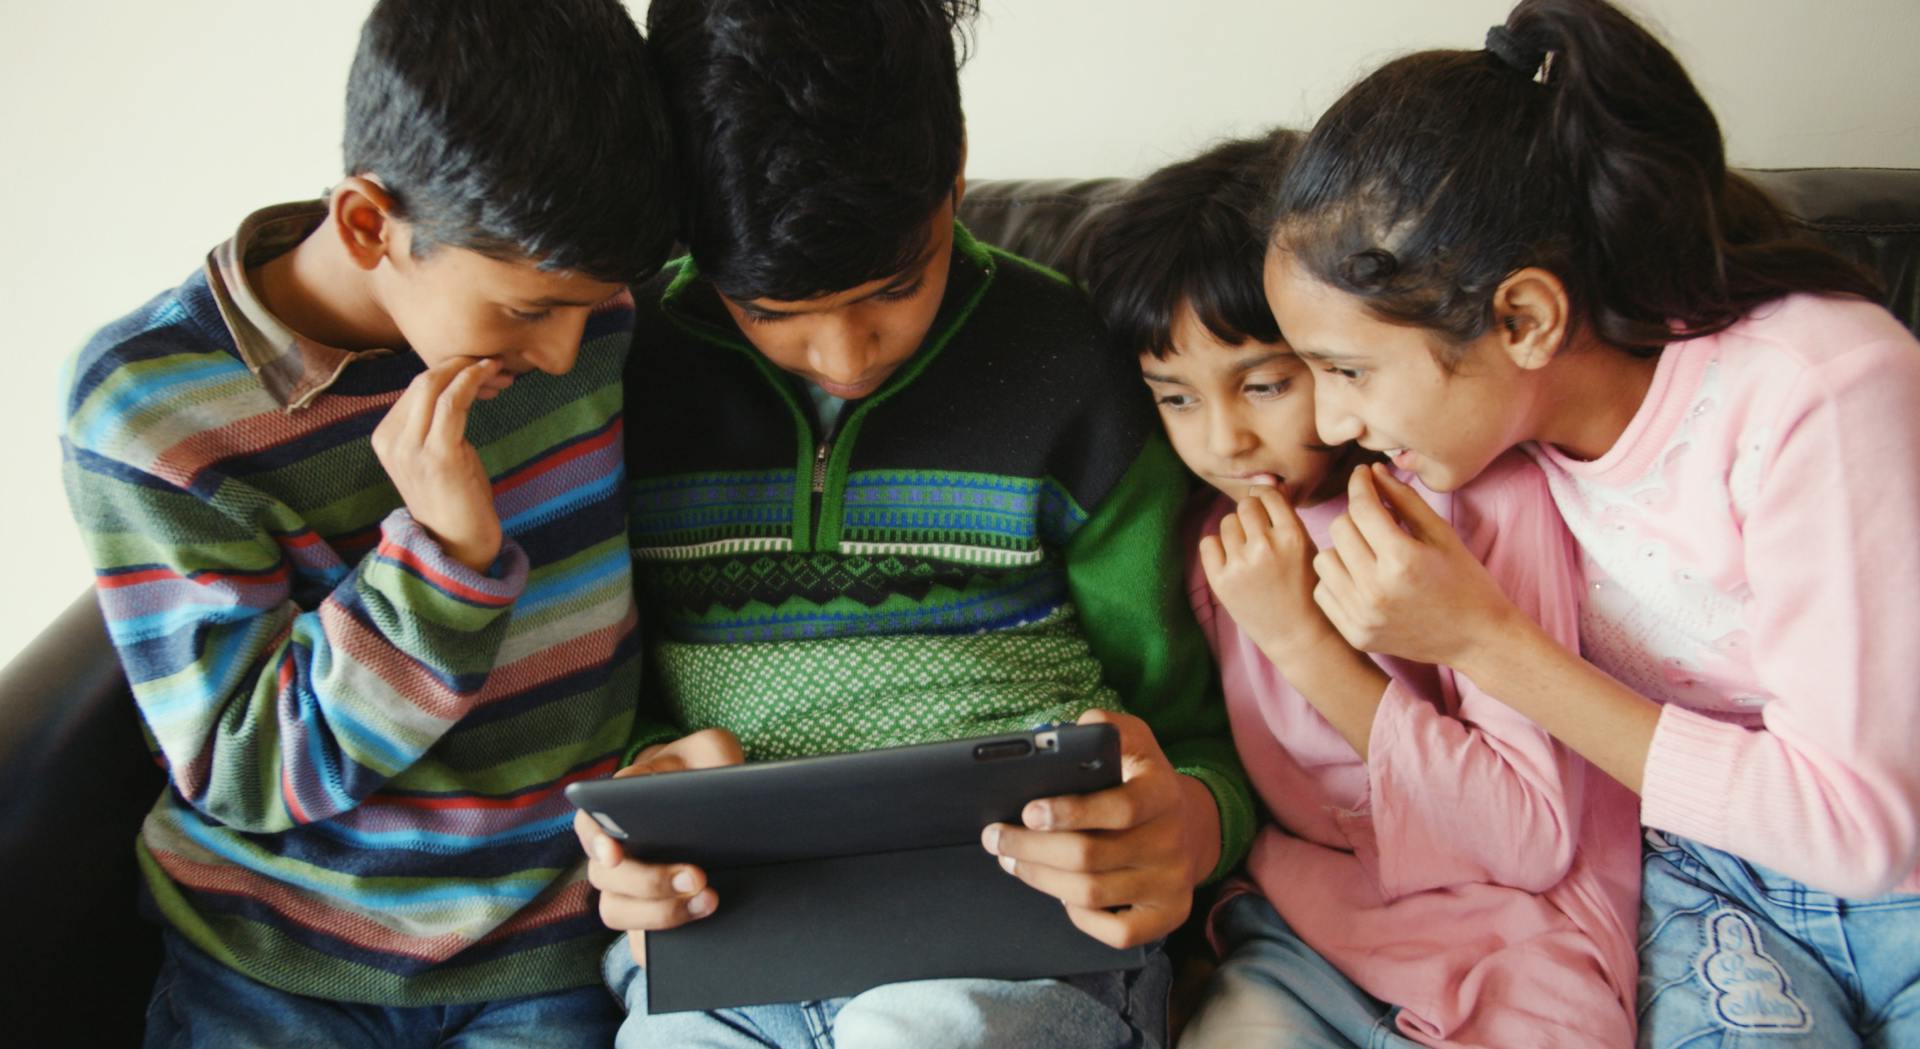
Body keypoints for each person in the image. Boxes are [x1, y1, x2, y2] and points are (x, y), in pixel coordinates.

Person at [570, 2, 1252, 1045]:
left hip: (1015, 954)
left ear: (958, 169)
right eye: (772, 311)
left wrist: (1191, 825)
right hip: (729, 948)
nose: (847, 356)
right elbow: (594, 709)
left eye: (897, 285)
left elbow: (1207, 734)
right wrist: (640, 806)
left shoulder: (1081, 369)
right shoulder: (616, 375)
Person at [1259, 1, 1920, 1046]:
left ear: (1524, 318)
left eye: (1348, 370)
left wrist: (1482, 639)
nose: (1332, 419)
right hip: (1702, 878)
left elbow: (1865, 830)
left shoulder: (1816, 387)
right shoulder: (1484, 456)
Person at [57, 1, 677, 1044]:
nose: (573, 356)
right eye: (529, 312)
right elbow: (244, 765)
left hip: (543, 949)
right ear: (364, 224)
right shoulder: (152, 410)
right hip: (273, 963)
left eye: (594, 302)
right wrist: (442, 572)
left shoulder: (597, 310)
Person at [1076, 132, 1641, 1048]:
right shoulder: (1202, 534)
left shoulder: (1477, 496)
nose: (1223, 441)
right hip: (1301, 931)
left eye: (1265, 384)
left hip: (1517, 938)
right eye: (1175, 397)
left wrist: (1300, 638)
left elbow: (1523, 841)